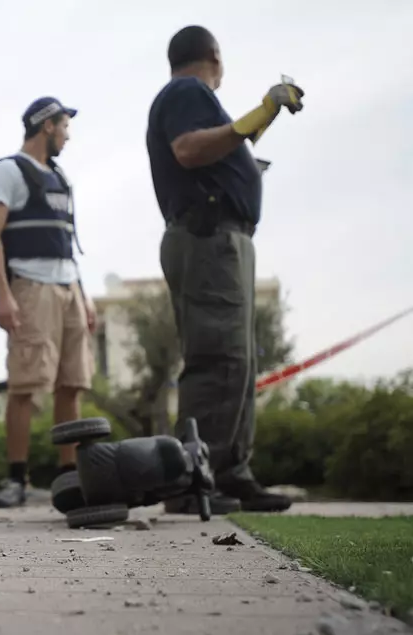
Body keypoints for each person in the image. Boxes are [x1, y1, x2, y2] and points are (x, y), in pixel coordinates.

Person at [145, 25, 305, 513]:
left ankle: (230, 473)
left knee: (238, 361)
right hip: (208, 237)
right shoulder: (187, 90)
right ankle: (193, 483)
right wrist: (259, 114)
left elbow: (212, 148)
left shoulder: (189, 97)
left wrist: (245, 153)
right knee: (218, 358)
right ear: (214, 57)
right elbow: (190, 150)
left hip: (218, 239)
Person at [0, 97, 96, 509]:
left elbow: (65, 242)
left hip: (69, 289)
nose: (68, 133)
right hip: (30, 288)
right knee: (26, 385)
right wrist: (3, 295)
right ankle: (17, 478)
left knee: (72, 383)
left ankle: (69, 476)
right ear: (47, 125)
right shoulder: (9, 170)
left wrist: (83, 296)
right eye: (65, 125)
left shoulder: (60, 177)